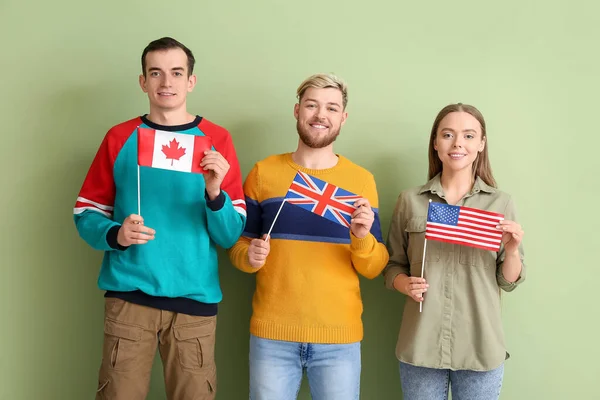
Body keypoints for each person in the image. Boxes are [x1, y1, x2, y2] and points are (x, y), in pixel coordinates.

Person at [73, 37, 246, 400]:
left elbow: (230, 235)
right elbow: (86, 211)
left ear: (190, 81)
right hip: (130, 297)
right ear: (143, 81)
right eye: (156, 73)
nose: (166, 82)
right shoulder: (120, 138)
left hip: (194, 301)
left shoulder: (217, 140)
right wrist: (116, 233)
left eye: (176, 73)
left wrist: (214, 194)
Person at [228, 73, 389, 400]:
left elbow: (375, 267)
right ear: (297, 110)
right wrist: (249, 256)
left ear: (342, 118)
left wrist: (360, 238)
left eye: (332, 108)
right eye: (312, 105)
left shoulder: (360, 181)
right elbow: (238, 246)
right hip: (272, 337)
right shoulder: (264, 172)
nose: (320, 115)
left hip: (339, 340)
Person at [383, 103, 526, 400]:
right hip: (421, 344)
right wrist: (404, 283)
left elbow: (508, 281)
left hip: (480, 347)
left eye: (469, 136)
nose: (458, 143)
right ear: (436, 143)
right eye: (448, 134)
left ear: (481, 144)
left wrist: (512, 251)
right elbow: (393, 265)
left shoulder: (501, 203)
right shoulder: (410, 200)